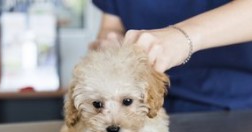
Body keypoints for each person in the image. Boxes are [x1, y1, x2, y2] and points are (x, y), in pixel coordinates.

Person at [91, 0, 252, 113]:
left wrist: (182, 37)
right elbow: (111, 25)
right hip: (143, 105)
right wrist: (112, 43)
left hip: (233, 103)